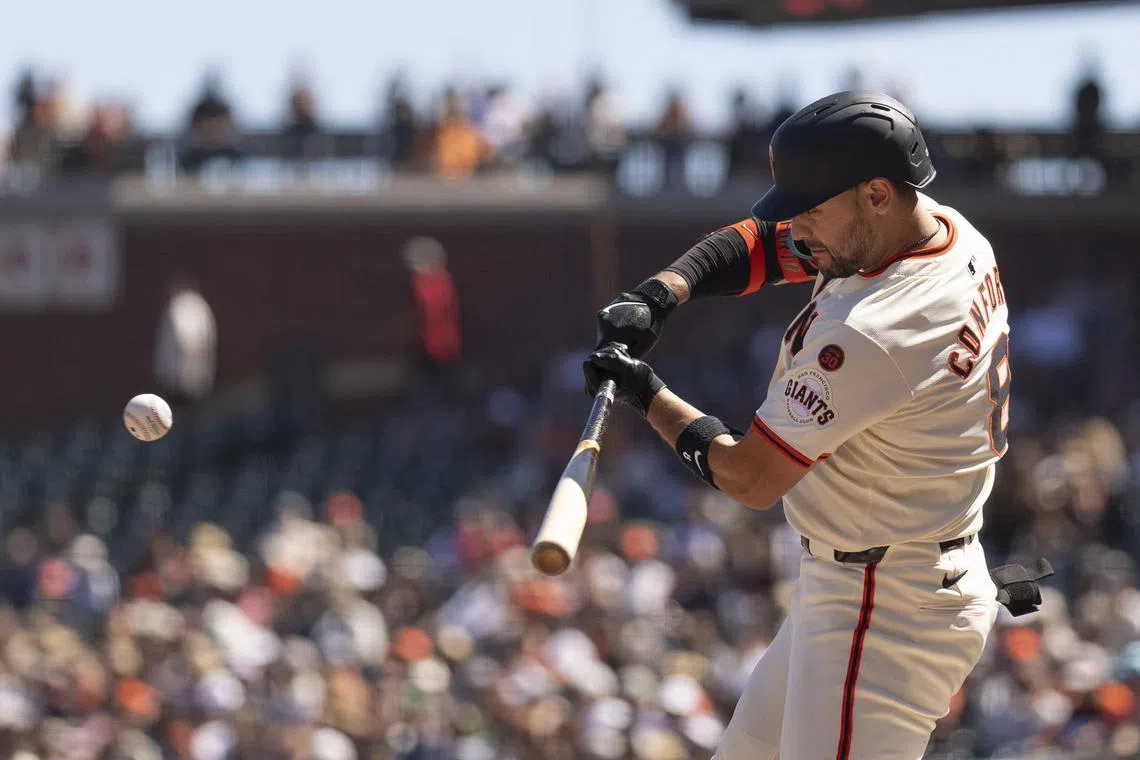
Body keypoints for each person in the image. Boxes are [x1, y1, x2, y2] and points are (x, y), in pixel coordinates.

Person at [585, 90, 1047, 760]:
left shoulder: (878, 329)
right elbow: (769, 248)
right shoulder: (934, 229)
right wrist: (661, 294)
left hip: (886, 609)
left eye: (810, 210)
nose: (796, 228)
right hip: (877, 579)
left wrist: (642, 392)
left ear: (877, 193)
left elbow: (750, 477)